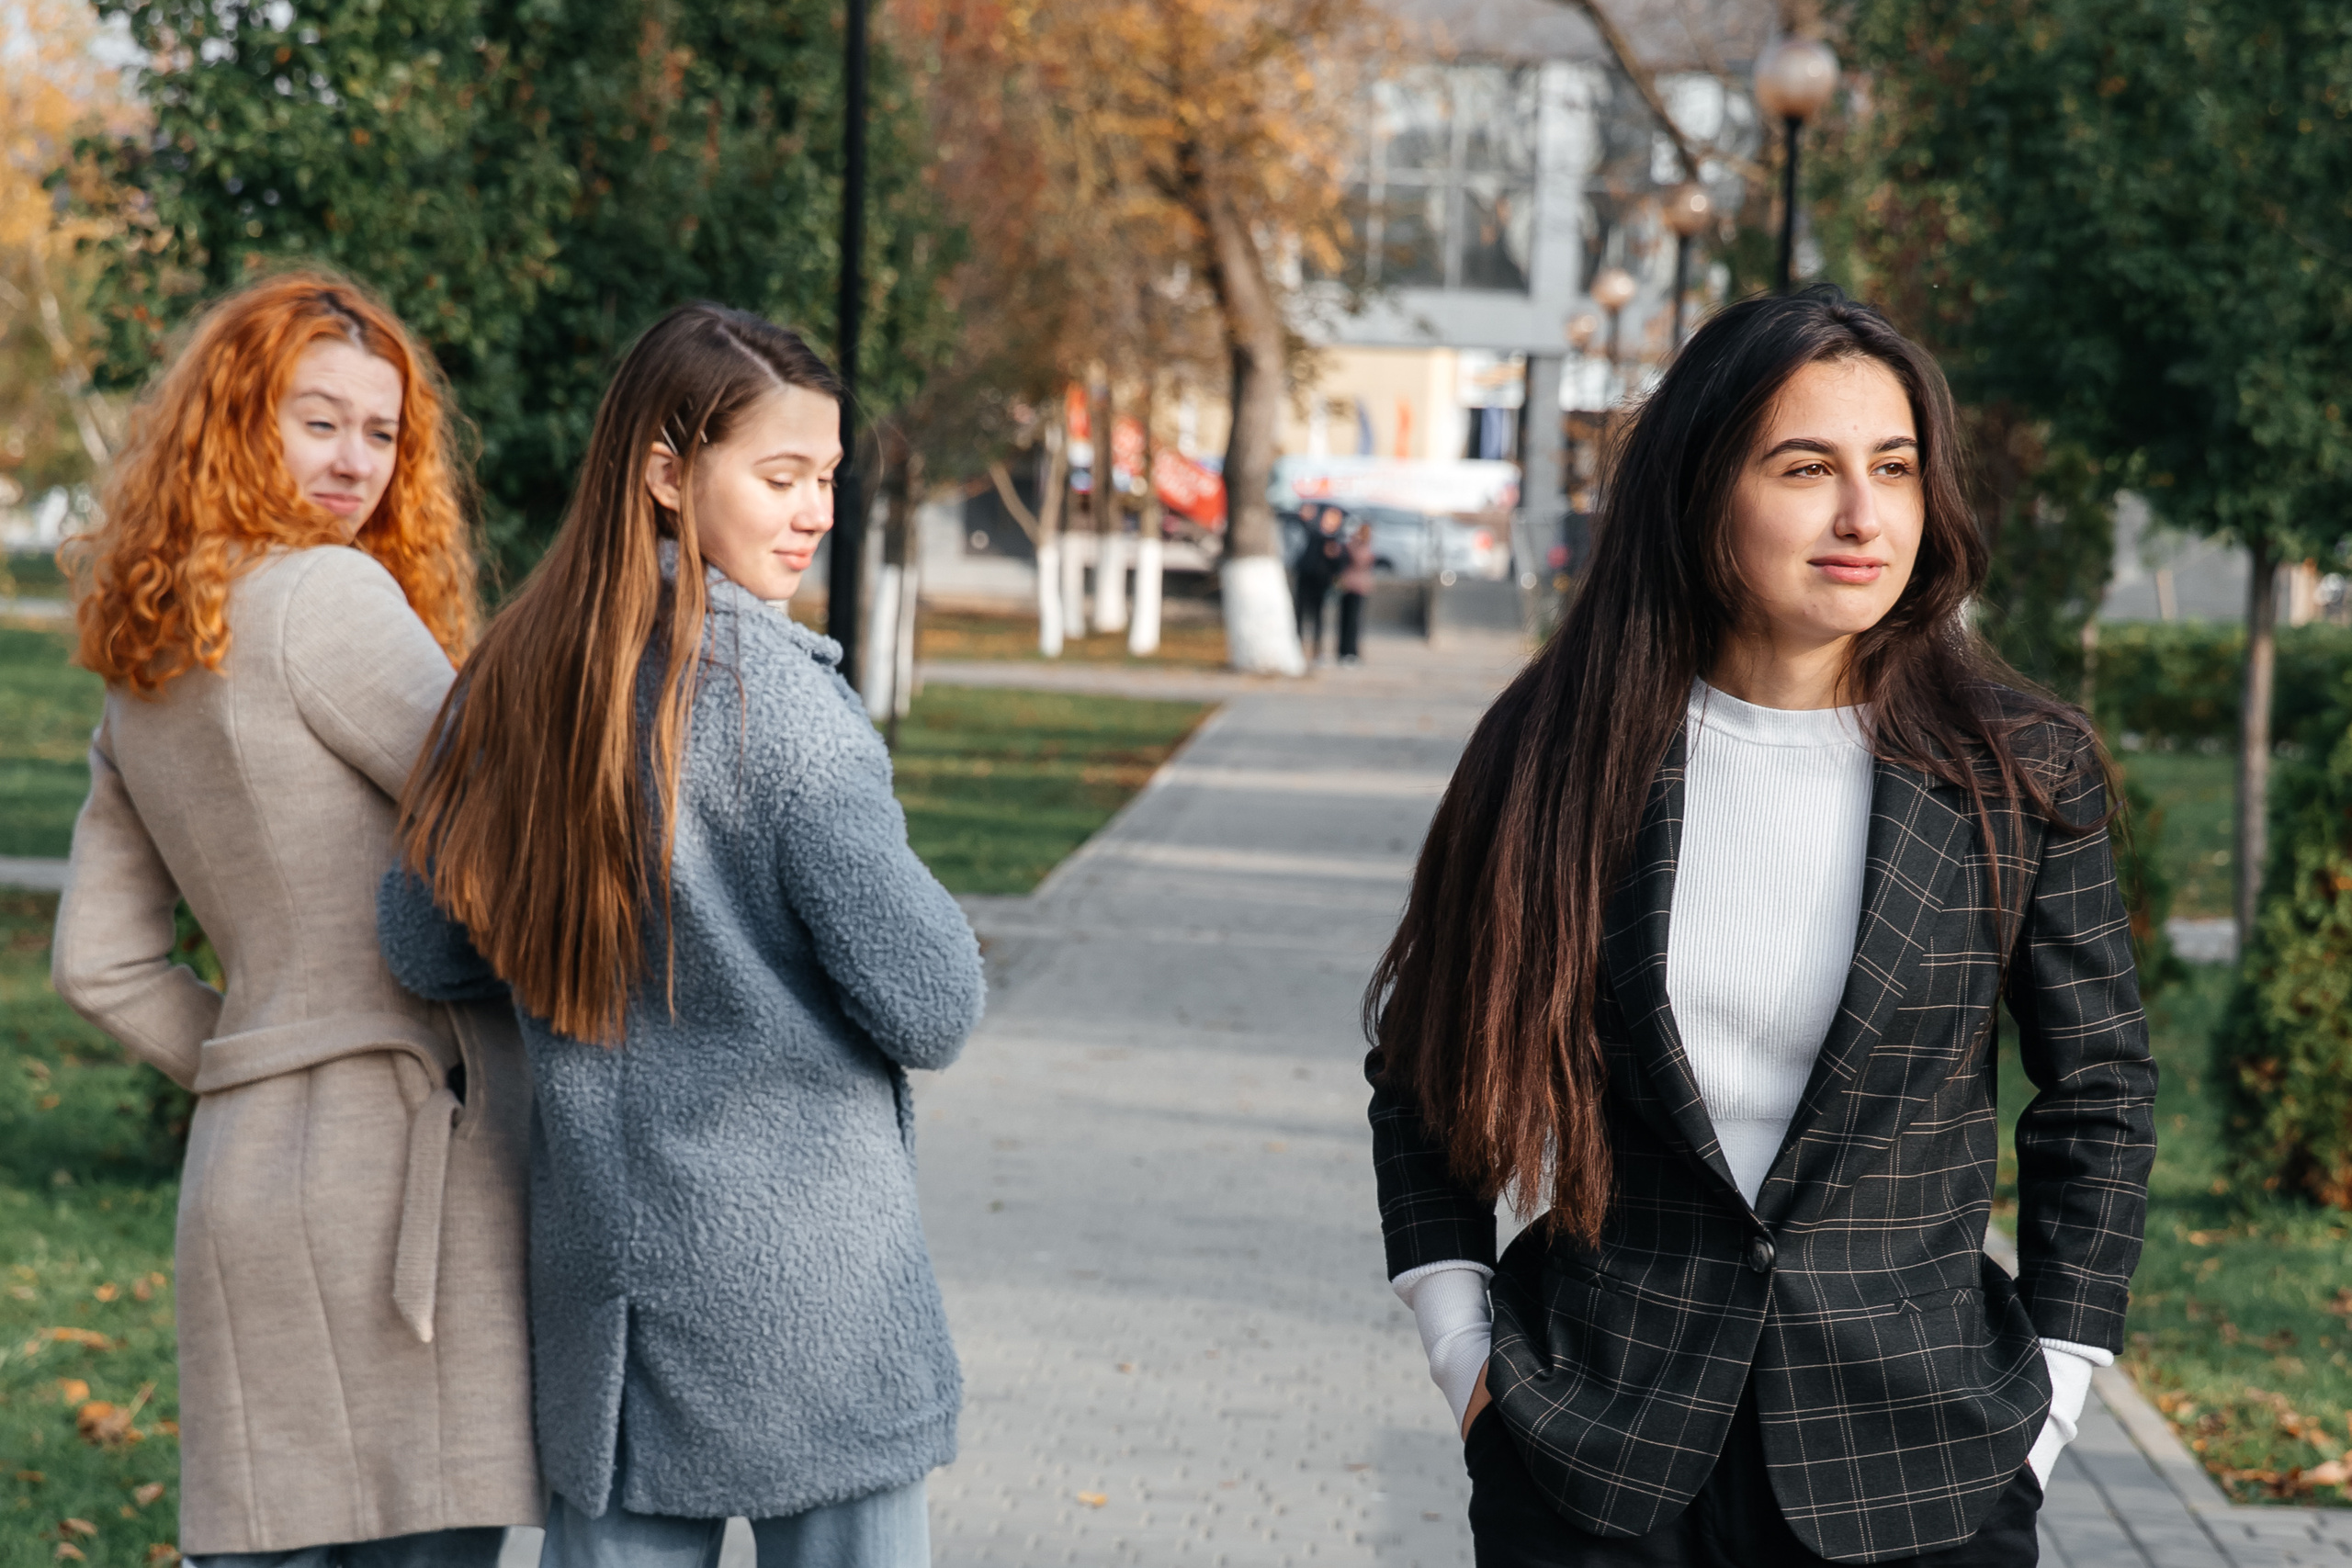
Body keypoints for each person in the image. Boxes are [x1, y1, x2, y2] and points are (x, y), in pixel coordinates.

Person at [1363, 287, 2155, 1567]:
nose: (1863, 513)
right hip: (1598, 1450)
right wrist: (1463, 1349)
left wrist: (2058, 1388)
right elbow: (1421, 1067)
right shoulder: (1558, 751)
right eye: (1807, 467)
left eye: (1893, 468)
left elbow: (2101, 1090)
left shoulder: (2018, 773)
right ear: (1701, 490)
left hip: (1920, 1462)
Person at [377, 302, 986, 1568]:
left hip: (617, 1306)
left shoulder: (514, 682)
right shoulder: (793, 720)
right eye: (780, 476)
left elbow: (423, 947)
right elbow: (934, 1003)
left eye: (824, 476)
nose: (814, 510)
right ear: (665, 470)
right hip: (818, 1302)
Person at [50, 271, 538, 1566]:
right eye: (317, 420)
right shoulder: (329, 599)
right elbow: (514, 835)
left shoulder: (144, 654)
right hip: (404, 1175)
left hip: (246, 1171)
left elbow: (96, 963)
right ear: (237, 419)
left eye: (383, 433)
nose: (356, 461)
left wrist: (260, 1045)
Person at [1294, 502, 1347, 660]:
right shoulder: (1315, 532)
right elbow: (1305, 527)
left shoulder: (1337, 539)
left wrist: (1335, 556)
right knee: (1300, 614)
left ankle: (1317, 650)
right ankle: (1297, 647)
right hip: (1306, 577)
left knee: (1318, 617)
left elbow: (1339, 564)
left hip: (1321, 582)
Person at [1337, 520, 1375, 664]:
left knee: (1355, 622)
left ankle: (1351, 651)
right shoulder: (1355, 545)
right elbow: (1360, 561)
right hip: (1352, 585)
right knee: (1349, 621)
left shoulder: (1363, 545)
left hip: (1360, 587)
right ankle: (1347, 651)